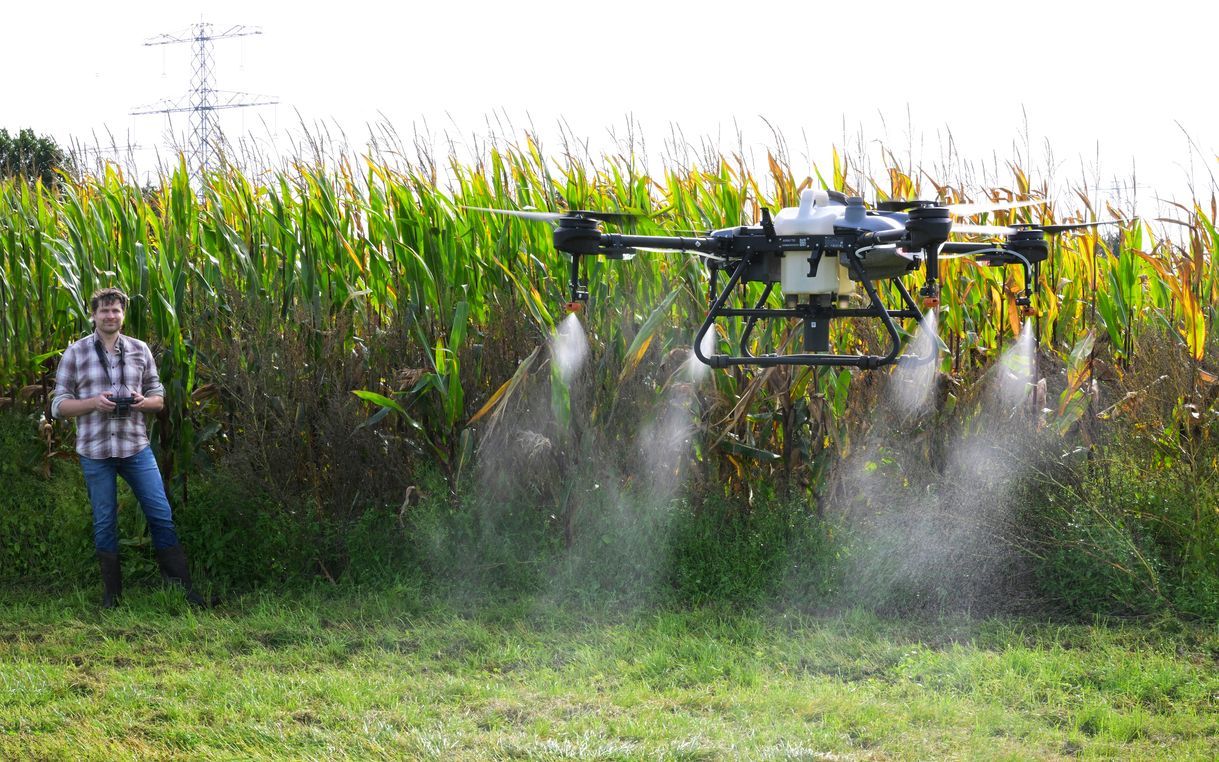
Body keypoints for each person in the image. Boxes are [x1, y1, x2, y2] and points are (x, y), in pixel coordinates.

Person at [52, 287, 212, 609]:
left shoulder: (140, 350)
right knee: (104, 521)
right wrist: (93, 404)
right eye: (104, 311)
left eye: (116, 311)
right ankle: (113, 596)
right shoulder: (75, 353)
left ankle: (183, 589)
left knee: (161, 514)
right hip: (95, 452)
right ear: (93, 314)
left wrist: (144, 402)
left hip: (135, 448)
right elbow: (58, 405)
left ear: (123, 315)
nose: (110, 316)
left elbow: (158, 396)